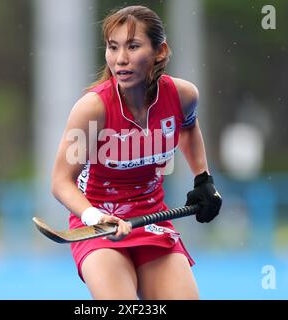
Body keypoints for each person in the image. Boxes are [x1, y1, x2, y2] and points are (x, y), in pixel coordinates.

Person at [51, 5, 222, 300]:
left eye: (133, 46)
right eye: (113, 47)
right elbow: (60, 182)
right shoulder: (92, 109)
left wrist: (203, 179)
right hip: (98, 222)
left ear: (159, 51)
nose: (121, 59)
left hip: (151, 216)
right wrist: (94, 217)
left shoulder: (183, 96)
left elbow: (188, 128)